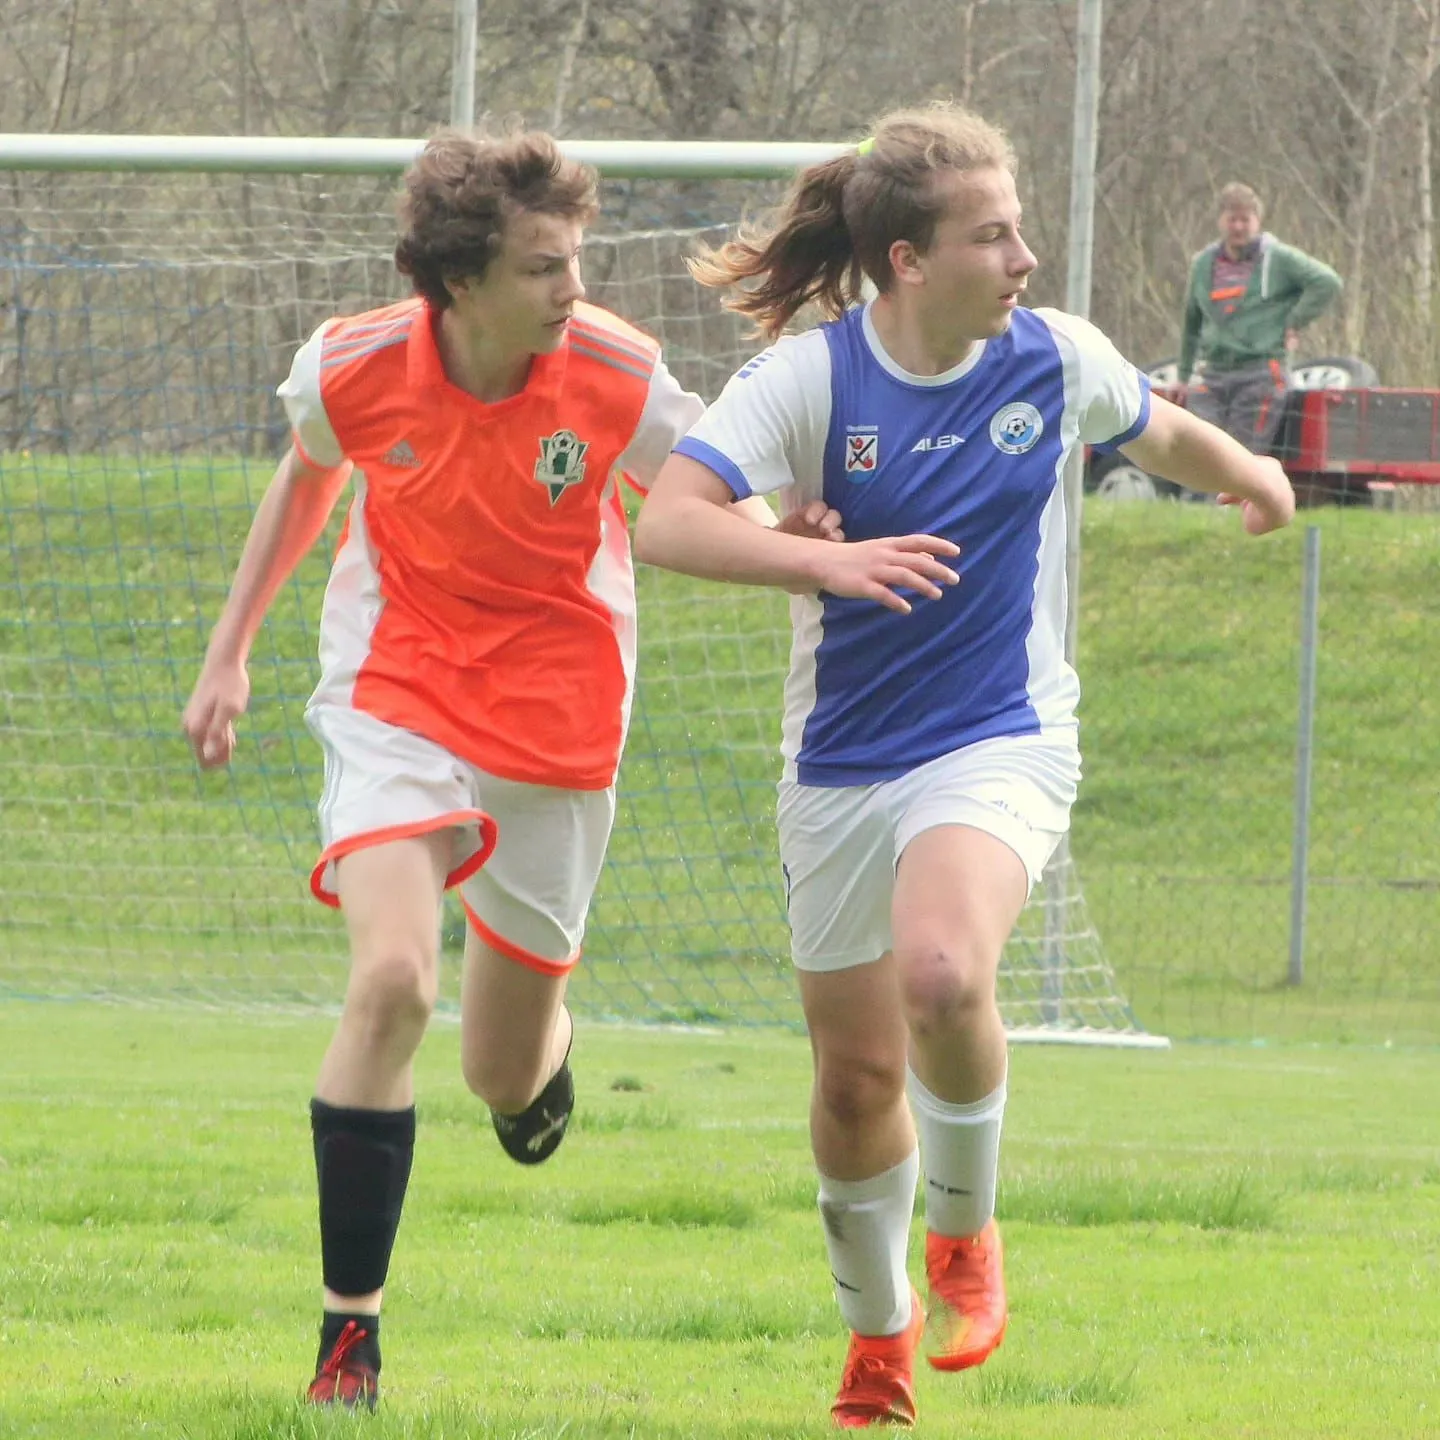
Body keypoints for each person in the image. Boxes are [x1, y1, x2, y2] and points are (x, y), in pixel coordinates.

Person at [634, 103, 1295, 1430]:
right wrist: (819, 560)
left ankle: (965, 1236)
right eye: (992, 236)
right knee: (855, 1082)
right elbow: (668, 522)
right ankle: (877, 1339)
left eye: (1019, 230)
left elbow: (1153, 428)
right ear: (907, 261)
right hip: (839, 763)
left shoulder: (1053, 357)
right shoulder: (814, 382)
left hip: (1002, 736)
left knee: (941, 971)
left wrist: (1255, 476)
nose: (1023, 259)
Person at [180, 125, 819, 1411]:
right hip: (398, 694)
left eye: (575, 259)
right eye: (543, 267)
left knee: (498, 1075)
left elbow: (700, 495)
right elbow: (309, 477)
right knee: (393, 982)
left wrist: (790, 537)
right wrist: (228, 652)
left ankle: (543, 1054)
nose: (574, 287)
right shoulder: (354, 366)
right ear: (460, 283)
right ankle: (348, 1344)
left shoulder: (616, 373)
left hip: (557, 716)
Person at [1178, 181, 1342, 454]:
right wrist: (1183, 375)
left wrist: (1295, 321)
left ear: (1258, 221)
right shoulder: (1203, 264)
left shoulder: (1277, 258)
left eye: (1245, 220)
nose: (1238, 227)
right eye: (1232, 219)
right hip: (1212, 373)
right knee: (1200, 452)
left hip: (1261, 373)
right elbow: (1191, 322)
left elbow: (1327, 282)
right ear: (1220, 221)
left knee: (1242, 456)